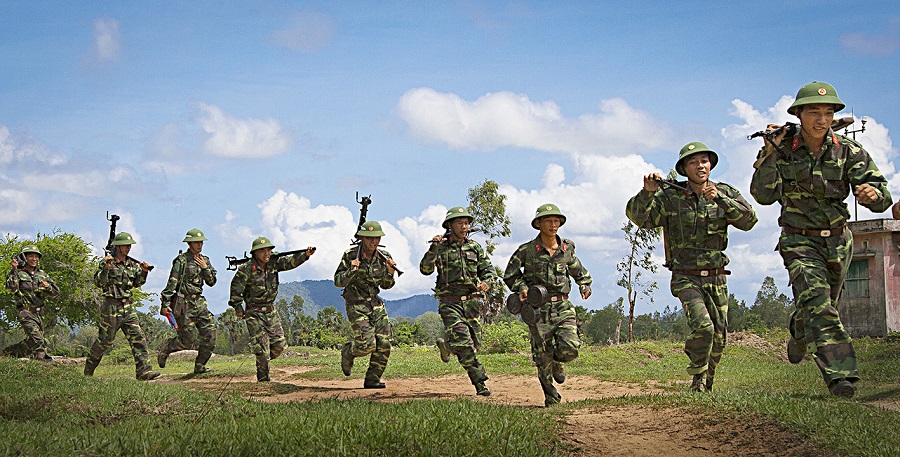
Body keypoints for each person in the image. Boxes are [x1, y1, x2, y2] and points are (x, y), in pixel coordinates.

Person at [750, 81, 893, 398]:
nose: (821, 119)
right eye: (814, 112)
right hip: (799, 241)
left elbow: (882, 198)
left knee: (821, 305)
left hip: (840, 241)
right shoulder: (782, 150)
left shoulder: (848, 151)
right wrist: (770, 151)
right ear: (799, 114)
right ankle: (841, 376)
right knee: (819, 302)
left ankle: (799, 329)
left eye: (828, 112)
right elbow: (761, 195)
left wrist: (872, 195)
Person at [626, 142, 758, 392]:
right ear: (684, 169)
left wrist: (720, 200)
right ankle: (697, 372)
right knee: (704, 327)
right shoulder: (671, 196)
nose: (700, 166)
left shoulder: (725, 191)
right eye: (693, 162)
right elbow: (639, 219)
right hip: (686, 277)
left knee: (719, 339)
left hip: (717, 276)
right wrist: (647, 192)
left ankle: (704, 383)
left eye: (704, 161)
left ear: (711, 165)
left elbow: (749, 220)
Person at [503, 203, 592, 407]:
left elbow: (578, 270)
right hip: (537, 309)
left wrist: (584, 284)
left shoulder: (566, 248)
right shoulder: (527, 251)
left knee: (570, 348)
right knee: (542, 358)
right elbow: (510, 275)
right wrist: (522, 287)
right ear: (538, 223)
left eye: (556, 221)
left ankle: (558, 361)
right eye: (549, 221)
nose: (553, 225)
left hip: (563, 306)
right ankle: (551, 398)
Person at [420, 206, 497, 396]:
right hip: (450, 302)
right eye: (460, 223)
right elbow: (425, 269)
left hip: (472, 303)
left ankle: (447, 344)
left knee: (474, 343)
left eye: (466, 223)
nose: (464, 226)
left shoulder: (475, 247)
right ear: (450, 225)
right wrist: (433, 248)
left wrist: (486, 282)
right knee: (464, 343)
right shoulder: (441, 248)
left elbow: (488, 270)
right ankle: (480, 383)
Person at [229, 236, 315, 382]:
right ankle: (263, 379)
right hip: (254, 312)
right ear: (255, 253)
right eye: (262, 251)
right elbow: (236, 289)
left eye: (268, 250)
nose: (266, 254)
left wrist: (305, 255)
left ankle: (264, 356)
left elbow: (290, 262)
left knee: (280, 345)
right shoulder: (246, 269)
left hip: (270, 311)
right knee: (262, 350)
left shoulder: (274, 264)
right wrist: (238, 307)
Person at [85, 232, 160, 380]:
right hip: (111, 306)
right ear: (118, 246)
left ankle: (144, 371)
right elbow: (99, 282)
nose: (128, 248)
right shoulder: (108, 262)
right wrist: (106, 267)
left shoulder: (132, 264)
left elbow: (137, 283)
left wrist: (144, 272)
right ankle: (88, 370)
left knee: (138, 337)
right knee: (105, 340)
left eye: (130, 245)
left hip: (128, 306)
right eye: (126, 245)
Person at [334, 221, 398, 389]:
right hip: (356, 304)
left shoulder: (383, 256)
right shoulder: (350, 255)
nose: (373, 242)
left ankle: (372, 379)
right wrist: (351, 271)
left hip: (375, 304)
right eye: (369, 238)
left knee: (384, 343)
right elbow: (338, 281)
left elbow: (386, 285)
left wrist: (390, 273)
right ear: (362, 238)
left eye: (376, 238)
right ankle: (349, 351)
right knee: (366, 345)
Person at [157, 228, 218, 374]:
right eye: (196, 242)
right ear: (189, 243)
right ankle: (166, 348)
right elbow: (172, 282)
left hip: (200, 302)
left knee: (210, 334)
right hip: (184, 304)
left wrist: (205, 268)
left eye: (201, 242)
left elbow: (212, 281)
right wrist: (165, 303)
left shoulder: (205, 260)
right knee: (187, 340)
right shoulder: (181, 261)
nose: (199, 245)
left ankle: (200, 366)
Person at [3, 244, 59, 360]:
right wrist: (13, 269)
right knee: (37, 340)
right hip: (25, 311)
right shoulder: (18, 273)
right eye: (31, 256)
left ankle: (9, 353)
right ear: (24, 257)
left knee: (33, 341)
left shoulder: (42, 274)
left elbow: (55, 292)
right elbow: (12, 288)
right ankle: (43, 363)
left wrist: (47, 286)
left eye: (36, 256)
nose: (34, 259)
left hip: (39, 313)